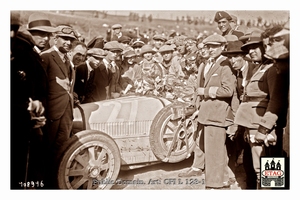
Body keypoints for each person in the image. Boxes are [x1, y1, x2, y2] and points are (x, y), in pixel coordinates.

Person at [234, 31, 288, 189]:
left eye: (255, 47)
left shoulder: (272, 69)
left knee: (268, 171)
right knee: (261, 169)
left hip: (263, 127)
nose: (251, 52)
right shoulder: (260, 68)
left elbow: (276, 100)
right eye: (249, 49)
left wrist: (265, 129)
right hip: (253, 125)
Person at [11, 12, 56, 189]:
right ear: (30, 32)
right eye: (40, 33)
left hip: (37, 115)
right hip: (25, 117)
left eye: (48, 34)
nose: (45, 38)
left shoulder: (35, 53)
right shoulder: (21, 52)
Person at [193, 34, 236, 189]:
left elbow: (228, 90)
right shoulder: (210, 63)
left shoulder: (225, 65)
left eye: (214, 46)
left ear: (223, 47)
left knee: (213, 153)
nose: (210, 49)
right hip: (209, 113)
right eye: (208, 46)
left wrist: (206, 91)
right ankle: (223, 181)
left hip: (217, 114)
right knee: (217, 151)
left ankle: (214, 185)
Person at [40, 24, 77, 188]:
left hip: (66, 111)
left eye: (71, 40)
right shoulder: (46, 56)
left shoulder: (67, 59)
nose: (68, 43)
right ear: (55, 38)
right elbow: (41, 88)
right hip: (52, 112)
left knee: (62, 148)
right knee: (47, 150)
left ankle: (57, 181)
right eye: (65, 39)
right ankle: (46, 183)